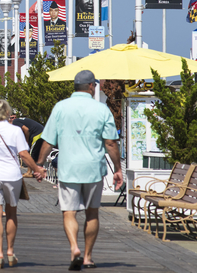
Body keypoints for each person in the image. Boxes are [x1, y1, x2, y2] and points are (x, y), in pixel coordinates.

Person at [37, 70, 122, 271]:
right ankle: (87, 257)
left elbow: (48, 140)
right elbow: (110, 143)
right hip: (93, 168)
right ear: (92, 86)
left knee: (69, 212)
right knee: (92, 213)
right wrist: (118, 169)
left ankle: (74, 247)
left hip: (68, 168)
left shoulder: (60, 107)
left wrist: (40, 164)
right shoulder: (101, 110)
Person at [0, 100, 44, 269]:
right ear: (7, 113)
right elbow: (24, 154)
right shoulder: (15, 131)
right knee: (11, 213)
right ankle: (10, 252)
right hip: (12, 175)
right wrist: (36, 169)